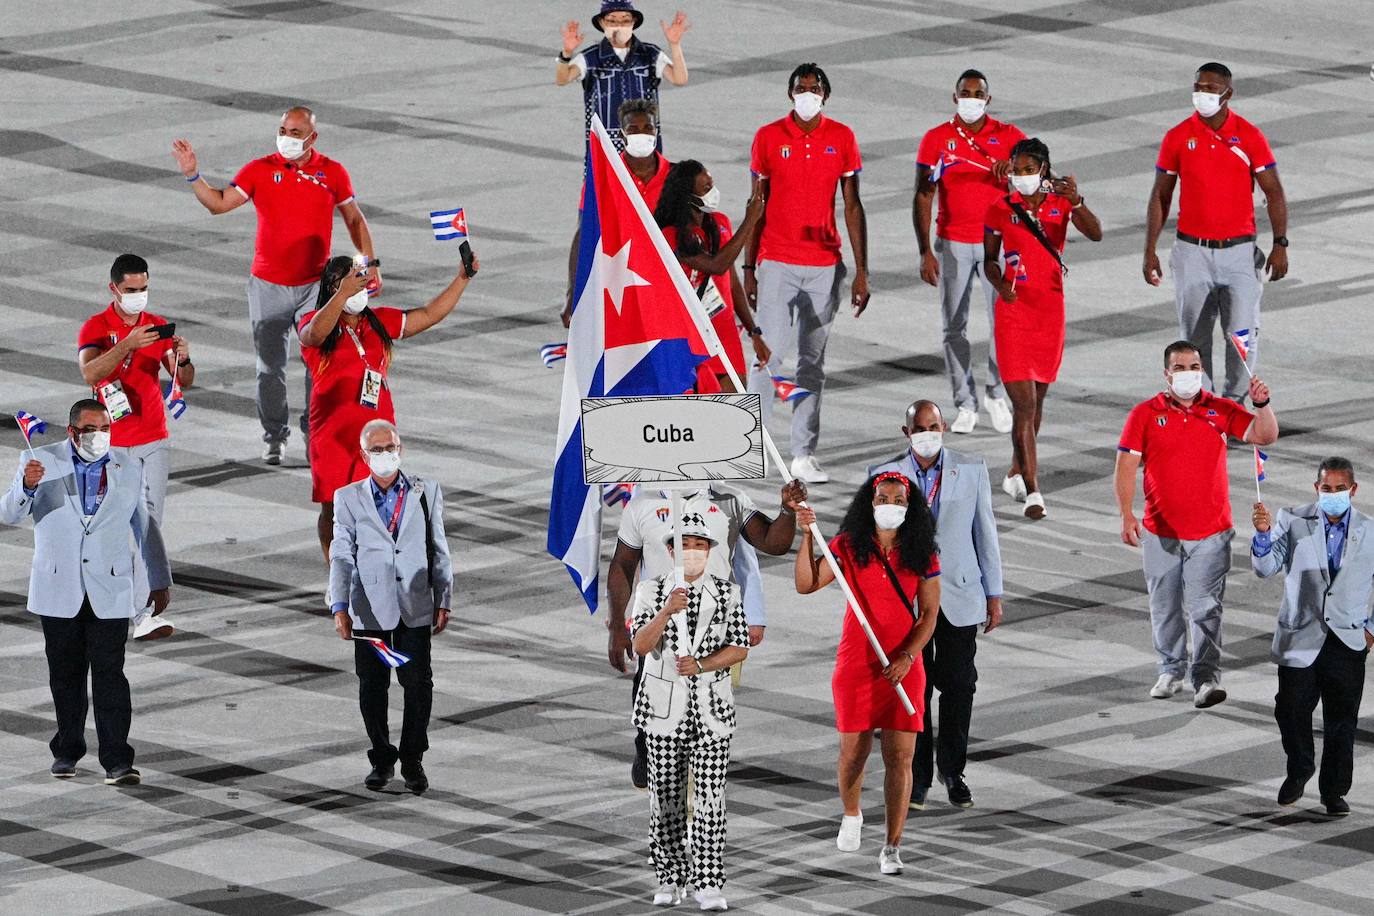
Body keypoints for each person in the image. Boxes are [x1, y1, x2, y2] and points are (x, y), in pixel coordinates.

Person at [171, 106, 378, 464]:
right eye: (283, 129)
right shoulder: (259, 170)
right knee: (269, 368)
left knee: (320, 364)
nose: (287, 137)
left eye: (296, 133)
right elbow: (219, 204)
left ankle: (314, 433)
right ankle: (274, 436)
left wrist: (369, 265)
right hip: (267, 287)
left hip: (316, 286)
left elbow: (354, 219)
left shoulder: (332, 173)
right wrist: (193, 176)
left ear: (313, 137)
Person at [0, 399, 171, 786]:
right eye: (91, 429)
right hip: (58, 587)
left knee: (111, 675)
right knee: (65, 676)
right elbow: (8, 513)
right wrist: (27, 485)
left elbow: (145, 527)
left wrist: (159, 581)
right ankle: (67, 750)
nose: (100, 436)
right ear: (72, 431)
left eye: (105, 428)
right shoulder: (41, 460)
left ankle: (117, 760)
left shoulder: (128, 466)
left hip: (109, 589)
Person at [608, 480, 807, 790]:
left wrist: (786, 510)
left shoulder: (731, 499)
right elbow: (623, 563)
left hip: (714, 629)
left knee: (707, 707)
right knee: (651, 693)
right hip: (660, 625)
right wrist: (617, 626)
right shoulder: (642, 502)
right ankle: (647, 746)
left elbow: (772, 542)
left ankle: (699, 769)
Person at [1116, 340, 1279, 708]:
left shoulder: (1220, 409)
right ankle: (1170, 670)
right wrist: (1126, 513)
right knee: (1165, 606)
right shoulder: (1144, 414)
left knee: (1206, 608)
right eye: (1180, 367)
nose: (1188, 373)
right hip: (1160, 532)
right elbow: (1126, 465)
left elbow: (1264, 435)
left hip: (1211, 533)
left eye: (1194, 366)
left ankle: (1205, 679)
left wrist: (1262, 404)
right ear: (1166, 374)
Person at [795, 473, 940, 875]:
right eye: (882, 497)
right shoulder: (846, 545)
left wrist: (909, 656)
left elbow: (928, 615)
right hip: (857, 664)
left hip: (903, 667)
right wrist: (807, 535)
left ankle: (892, 846)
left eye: (898, 498)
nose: (889, 503)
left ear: (909, 506)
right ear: (870, 503)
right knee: (852, 754)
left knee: (901, 758)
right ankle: (852, 813)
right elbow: (806, 584)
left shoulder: (923, 552)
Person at [298, 252, 478, 564]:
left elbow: (428, 314)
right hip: (333, 436)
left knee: (383, 502)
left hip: (378, 432)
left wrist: (462, 278)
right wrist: (342, 295)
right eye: (353, 284)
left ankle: (374, 570)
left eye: (362, 284)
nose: (360, 291)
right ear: (332, 287)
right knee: (334, 507)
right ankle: (338, 574)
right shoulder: (313, 323)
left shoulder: (378, 321)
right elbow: (313, 335)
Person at [869, 399, 1004, 810]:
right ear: (906, 433)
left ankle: (954, 771)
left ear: (943, 426)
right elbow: (873, 541)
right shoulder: (883, 477)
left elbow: (986, 533)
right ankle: (920, 778)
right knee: (916, 688)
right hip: (908, 600)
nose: (928, 433)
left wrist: (993, 594)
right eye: (919, 428)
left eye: (934, 425)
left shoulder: (973, 469)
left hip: (961, 594)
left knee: (960, 685)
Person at [744, 63, 869, 484]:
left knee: (811, 364)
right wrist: (748, 267)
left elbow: (853, 206)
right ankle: (750, 441)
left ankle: (803, 454)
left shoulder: (842, 138)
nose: (807, 93)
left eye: (814, 88)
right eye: (800, 87)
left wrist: (862, 271)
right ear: (790, 93)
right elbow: (755, 206)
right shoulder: (767, 137)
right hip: (776, 262)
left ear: (826, 96)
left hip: (824, 268)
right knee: (768, 354)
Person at [1143, 62, 1288, 401]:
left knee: (1242, 338)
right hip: (1191, 251)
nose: (1202, 94)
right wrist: (1149, 248)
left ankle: (1234, 405)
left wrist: (1280, 243)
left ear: (1228, 93)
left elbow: (1274, 192)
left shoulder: (1249, 136)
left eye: (1210, 88)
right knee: (1193, 340)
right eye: (1198, 87)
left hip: (1239, 253)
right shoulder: (1178, 136)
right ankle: (1202, 408)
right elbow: (1161, 195)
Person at [630, 515, 748, 910]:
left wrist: (702, 664)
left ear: (710, 551)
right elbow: (641, 645)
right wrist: (666, 611)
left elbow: (740, 647)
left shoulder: (727, 593)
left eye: (701, 545)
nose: (694, 552)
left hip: (711, 712)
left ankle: (709, 882)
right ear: (670, 551)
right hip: (664, 712)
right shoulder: (650, 590)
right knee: (664, 797)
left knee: (711, 799)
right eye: (686, 545)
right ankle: (668, 876)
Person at [329, 420, 453, 795]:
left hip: (414, 605)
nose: (386, 455)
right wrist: (339, 605)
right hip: (369, 607)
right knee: (372, 687)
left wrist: (443, 596)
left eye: (391, 447)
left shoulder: (424, 491)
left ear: (401, 448)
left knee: (418, 686)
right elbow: (341, 554)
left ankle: (413, 758)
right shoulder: (347, 497)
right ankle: (382, 759)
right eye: (377, 450)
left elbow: (438, 547)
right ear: (364, 455)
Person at [982, 138, 1101, 519]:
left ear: (1044, 170)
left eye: (1029, 170)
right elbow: (988, 259)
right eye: (1016, 170)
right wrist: (1000, 285)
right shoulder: (1001, 207)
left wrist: (1078, 201)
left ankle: (1017, 470)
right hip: (1014, 311)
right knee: (1024, 403)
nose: (1022, 176)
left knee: (1038, 403)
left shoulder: (1062, 202)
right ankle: (1034, 491)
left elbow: (1096, 233)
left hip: (1049, 311)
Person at [77, 254, 193, 640]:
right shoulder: (96, 327)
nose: (138, 296)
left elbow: (184, 380)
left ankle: (143, 611)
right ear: (114, 289)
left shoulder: (157, 325)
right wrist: (126, 345)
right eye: (131, 290)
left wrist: (184, 358)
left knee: (149, 522)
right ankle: (102, 599)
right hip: (111, 445)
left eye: (143, 289)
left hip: (154, 440)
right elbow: (91, 372)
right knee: (109, 525)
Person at [1252, 457, 1372, 817]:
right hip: (1299, 636)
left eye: (1339, 489)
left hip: (1347, 640)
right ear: (1315, 488)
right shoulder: (1292, 519)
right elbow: (1265, 568)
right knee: (1289, 710)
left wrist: (1370, 629)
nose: (1332, 494)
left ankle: (1333, 792)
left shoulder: (1370, 530)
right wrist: (1261, 534)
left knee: (1341, 721)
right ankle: (1300, 766)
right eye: (1326, 488)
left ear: (1353, 490)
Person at [914, 69, 1025, 435]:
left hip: (998, 241)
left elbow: (1035, 179)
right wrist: (924, 250)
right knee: (953, 327)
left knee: (1005, 322)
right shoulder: (936, 140)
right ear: (955, 97)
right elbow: (923, 194)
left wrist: (1013, 174)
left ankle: (995, 393)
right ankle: (965, 402)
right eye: (966, 93)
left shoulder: (1010, 138)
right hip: (954, 242)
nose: (972, 99)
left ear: (988, 100)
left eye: (979, 94)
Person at [654, 159, 771, 391]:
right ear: (688, 196)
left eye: (712, 185)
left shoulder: (721, 223)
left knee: (735, 418)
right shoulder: (670, 236)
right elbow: (716, 265)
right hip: (689, 339)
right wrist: (751, 219)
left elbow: (731, 281)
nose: (714, 193)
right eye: (706, 189)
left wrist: (753, 332)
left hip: (724, 335)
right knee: (696, 421)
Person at [563, 98, 671, 327]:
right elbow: (584, 233)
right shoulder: (602, 178)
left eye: (648, 128)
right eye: (633, 129)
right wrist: (573, 291)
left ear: (656, 131)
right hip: (618, 288)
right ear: (621, 135)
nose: (642, 134)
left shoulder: (676, 178)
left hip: (665, 289)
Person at [555, 2, 689, 150]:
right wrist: (566, 53)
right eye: (612, 20)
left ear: (633, 22)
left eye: (625, 20)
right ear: (602, 23)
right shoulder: (590, 57)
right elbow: (562, 79)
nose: (619, 25)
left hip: (645, 142)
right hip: (604, 146)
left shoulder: (650, 54)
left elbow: (679, 79)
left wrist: (675, 44)